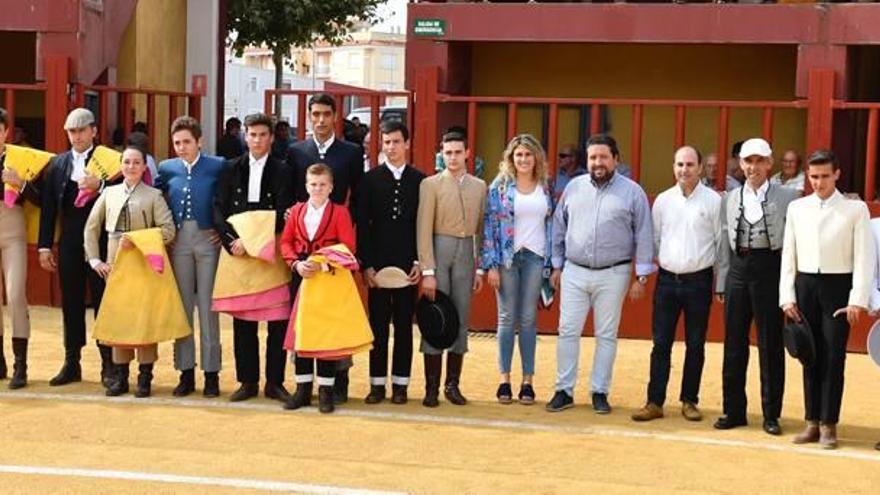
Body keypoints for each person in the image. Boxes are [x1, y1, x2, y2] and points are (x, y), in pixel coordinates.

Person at [546, 134, 653, 414]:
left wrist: (641, 277)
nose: (598, 162)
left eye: (604, 157)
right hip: (575, 271)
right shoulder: (574, 188)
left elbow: (644, 234)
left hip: (614, 272)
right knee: (567, 331)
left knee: (606, 334)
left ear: (616, 159)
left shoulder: (633, 192)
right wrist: (556, 265)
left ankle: (599, 391)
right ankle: (564, 390)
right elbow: (559, 226)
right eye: (593, 157)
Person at [780, 149, 874, 449]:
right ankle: (811, 422)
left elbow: (864, 258)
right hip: (805, 285)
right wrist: (787, 296)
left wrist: (857, 298)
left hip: (838, 288)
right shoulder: (797, 208)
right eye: (813, 177)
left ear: (837, 174)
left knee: (834, 358)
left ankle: (829, 424)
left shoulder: (855, 210)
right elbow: (789, 256)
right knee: (809, 355)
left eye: (824, 176)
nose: (818, 182)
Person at [714, 138, 800, 435]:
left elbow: (794, 244)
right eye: (748, 161)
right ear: (741, 164)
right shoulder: (729, 198)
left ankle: (770, 414)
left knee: (770, 345)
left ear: (769, 163)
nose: (753, 167)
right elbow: (724, 240)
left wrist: (790, 286)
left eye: (759, 161)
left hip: (770, 271)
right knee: (734, 344)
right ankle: (734, 409)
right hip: (738, 271)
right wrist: (722, 280)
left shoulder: (789, 197)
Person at [632, 146, 723, 422]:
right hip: (668, 281)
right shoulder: (662, 201)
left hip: (699, 281)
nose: (685, 170)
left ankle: (689, 400)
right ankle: (654, 401)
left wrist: (719, 283)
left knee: (695, 344)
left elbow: (720, 244)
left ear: (700, 168)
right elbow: (656, 238)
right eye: (680, 164)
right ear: (674, 167)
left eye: (690, 164)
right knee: (661, 343)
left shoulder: (714, 201)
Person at [84, 145, 179, 397]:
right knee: (120, 317)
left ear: (144, 167)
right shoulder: (109, 193)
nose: (131, 167)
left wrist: (138, 239)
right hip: (115, 262)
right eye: (126, 162)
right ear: (120, 165)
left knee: (143, 319)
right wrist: (95, 260)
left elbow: (168, 231)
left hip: (144, 262)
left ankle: (145, 376)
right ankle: (121, 376)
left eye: (136, 162)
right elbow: (91, 228)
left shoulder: (153, 195)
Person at [213, 112, 295, 402]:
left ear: (271, 138)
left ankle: (274, 382)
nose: (257, 140)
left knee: (277, 321)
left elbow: (285, 211)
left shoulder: (284, 170)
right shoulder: (230, 168)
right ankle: (247, 381)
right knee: (243, 321)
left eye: (262, 134)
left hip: (270, 251)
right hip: (238, 251)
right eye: (252, 134)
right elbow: (218, 208)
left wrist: (258, 240)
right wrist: (231, 241)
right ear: (245, 136)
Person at [288, 93, 364, 403]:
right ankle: (304, 385)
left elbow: (356, 196)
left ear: (335, 117)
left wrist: (342, 243)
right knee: (304, 320)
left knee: (335, 321)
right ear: (309, 116)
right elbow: (294, 196)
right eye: (315, 114)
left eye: (325, 114)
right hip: (304, 247)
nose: (320, 120)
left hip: (334, 250)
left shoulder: (350, 152)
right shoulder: (295, 151)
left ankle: (336, 383)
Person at [37, 108, 117, 387]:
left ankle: (109, 363)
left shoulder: (110, 161)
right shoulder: (59, 164)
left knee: (102, 300)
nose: (77, 136)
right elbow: (49, 208)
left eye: (82, 130)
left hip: (101, 241)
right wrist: (44, 246)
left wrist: (102, 183)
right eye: (72, 131)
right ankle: (72, 362)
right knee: (70, 300)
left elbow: (125, 191)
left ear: (94, 131)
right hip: (70, 240)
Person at [155, 116, 226, 398]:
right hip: (179, 240)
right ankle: (185, 371)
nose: (181, 147)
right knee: (182, 307)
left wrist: (224, 230)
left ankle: (211, 373)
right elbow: (157, 198)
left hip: (208, 239)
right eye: (177, 143)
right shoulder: (167, 167)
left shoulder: (217, 165)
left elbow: (227, 197)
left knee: (209, 307)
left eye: (186, 142)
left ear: (199, 141)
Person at [480, 134, 553, 405]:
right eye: (518, 155)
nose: (523, 159)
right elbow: (489, 226)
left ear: (536, 158)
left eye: (528, 155)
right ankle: (504, 380)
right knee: (507, 317)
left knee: (529, 319)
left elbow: (552, 223)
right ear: (511, 158)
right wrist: (491, 265)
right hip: (507, 259)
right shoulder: (500, 187)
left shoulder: (545, 186)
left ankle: (528, 382)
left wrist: (552, 262)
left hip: (535, 257)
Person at [417, 130, 487, 407]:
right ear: (441, 154)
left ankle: (452, 385)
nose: (453, 157)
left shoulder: (480, 186)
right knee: (435, 316)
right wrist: (427, 271)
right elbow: (424, 229)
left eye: (458, 152)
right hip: (439, 249)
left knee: (460, 318)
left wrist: (479, 268)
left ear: (467, 153)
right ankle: (431, 387)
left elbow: (481, 229)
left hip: (466, 253)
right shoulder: (431, 184)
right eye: (448, 153)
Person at [357, 121, 425, 405]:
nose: (391, 147)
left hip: (408, 266)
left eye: (396, 142)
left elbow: (423, 226)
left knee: (404, 327)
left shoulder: (421, 181)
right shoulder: (370, 179)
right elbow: (363, 224)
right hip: (379, 265)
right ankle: (376, 384)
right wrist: (367, 265)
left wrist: (420, 262)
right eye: (386, 142)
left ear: (407, 144)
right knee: (379, 326)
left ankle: (401, 385)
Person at [281, 164, 358, 413]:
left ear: (331, 187)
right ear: (306, 186)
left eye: (322, 184)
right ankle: (303, 389)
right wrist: (295, 264)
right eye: (313, 184)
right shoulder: (296, 211)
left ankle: (326, 390)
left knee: (325, 334)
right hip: (301, 276)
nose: (317, 189)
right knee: (302, 332)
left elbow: (348, 247)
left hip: (328, 279)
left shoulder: (340, 213)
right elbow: (286, 242)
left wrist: (323, 265)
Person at [0, 107, 39, 389]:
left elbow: (39, 200)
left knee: (15, 295)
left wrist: (20, 183)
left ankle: (20, 365)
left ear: (5, 132)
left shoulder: (21, 160)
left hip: (13, 234)